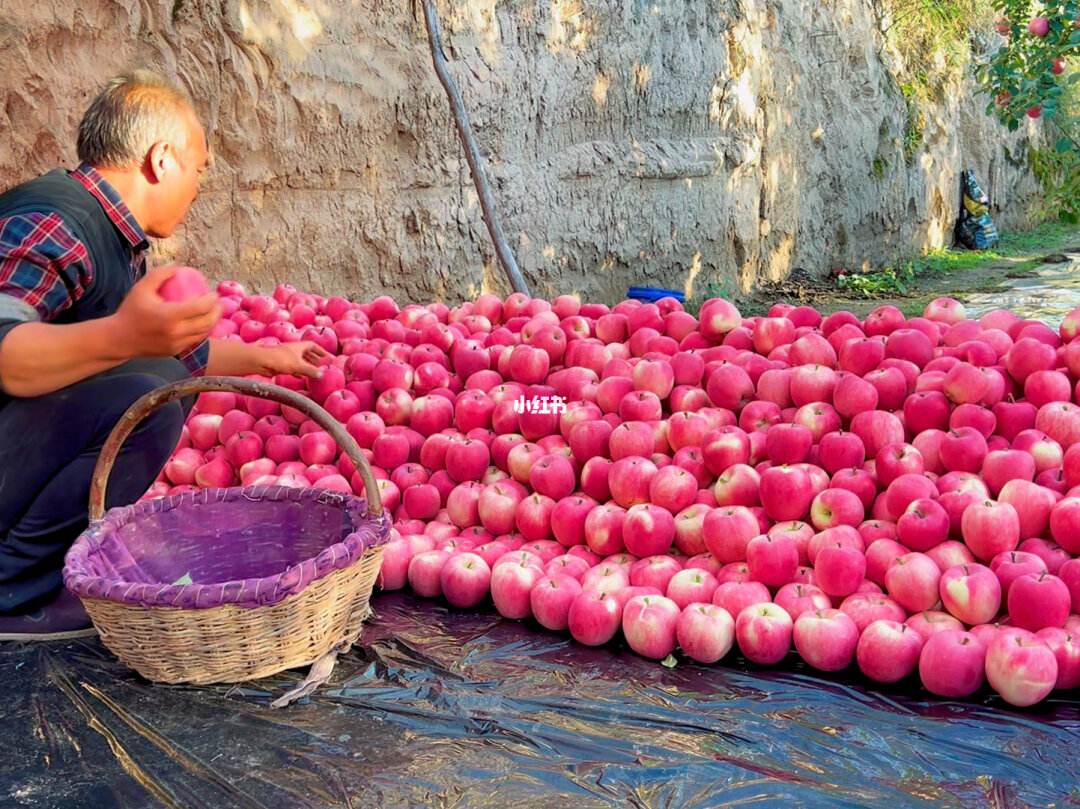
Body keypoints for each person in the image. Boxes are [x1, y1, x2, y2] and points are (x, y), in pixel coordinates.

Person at [0, 71, 329, 640]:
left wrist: (269, 359)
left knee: (156, 377)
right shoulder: (57, 223)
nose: (200, 187)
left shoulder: (109, 233)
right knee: (148, 397)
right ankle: (13, 590)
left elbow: (170, 353)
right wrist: (127, 337)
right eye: (199, 169)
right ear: (162, 159)